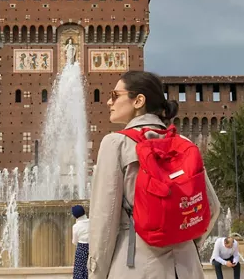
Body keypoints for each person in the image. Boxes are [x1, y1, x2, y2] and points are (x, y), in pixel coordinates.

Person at [87, 70, 221, 279]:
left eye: (115, 95)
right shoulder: (183, 144)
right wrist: (183, 238)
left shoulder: (115, 144)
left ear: (138, 100)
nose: (107, 102)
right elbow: (212, 208)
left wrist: (95, 274)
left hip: (136, 267)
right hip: (188, 268)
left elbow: (104, 220)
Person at [72, 205, 90, 279]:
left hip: (81, 247)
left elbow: (74, 241)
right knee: (89, 268)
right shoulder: (91, 222)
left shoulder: (76, 226)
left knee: (79, 269)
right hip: (91, 246)